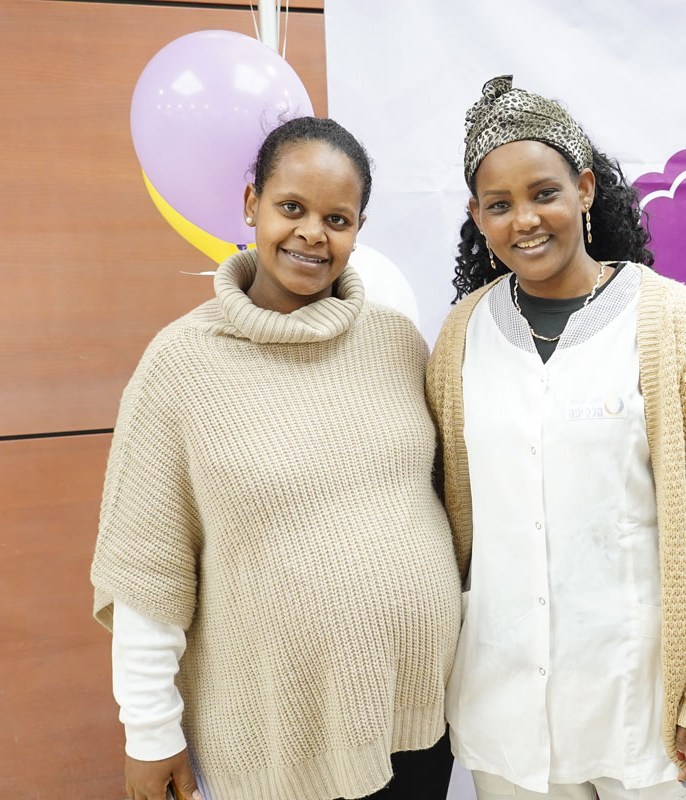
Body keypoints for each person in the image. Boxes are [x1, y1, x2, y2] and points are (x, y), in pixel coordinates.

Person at [90, 117, 460, 800]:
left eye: (337, 219)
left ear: (358, 229)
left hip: (415, 721)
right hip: (279, 742)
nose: (312, 233)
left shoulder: (398, 343)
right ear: (251, 203)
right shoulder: (180, 366)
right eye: (292, 207)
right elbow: (146, 570)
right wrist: (149, 731)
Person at [426, 76, 686, 800]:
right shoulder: (462, 337)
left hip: (643, 705)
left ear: (584, 189)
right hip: (505, 704)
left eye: (544, 193)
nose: (525, 220)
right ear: (477, 217)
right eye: (499, 204)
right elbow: (451, 521)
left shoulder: (675, 324)